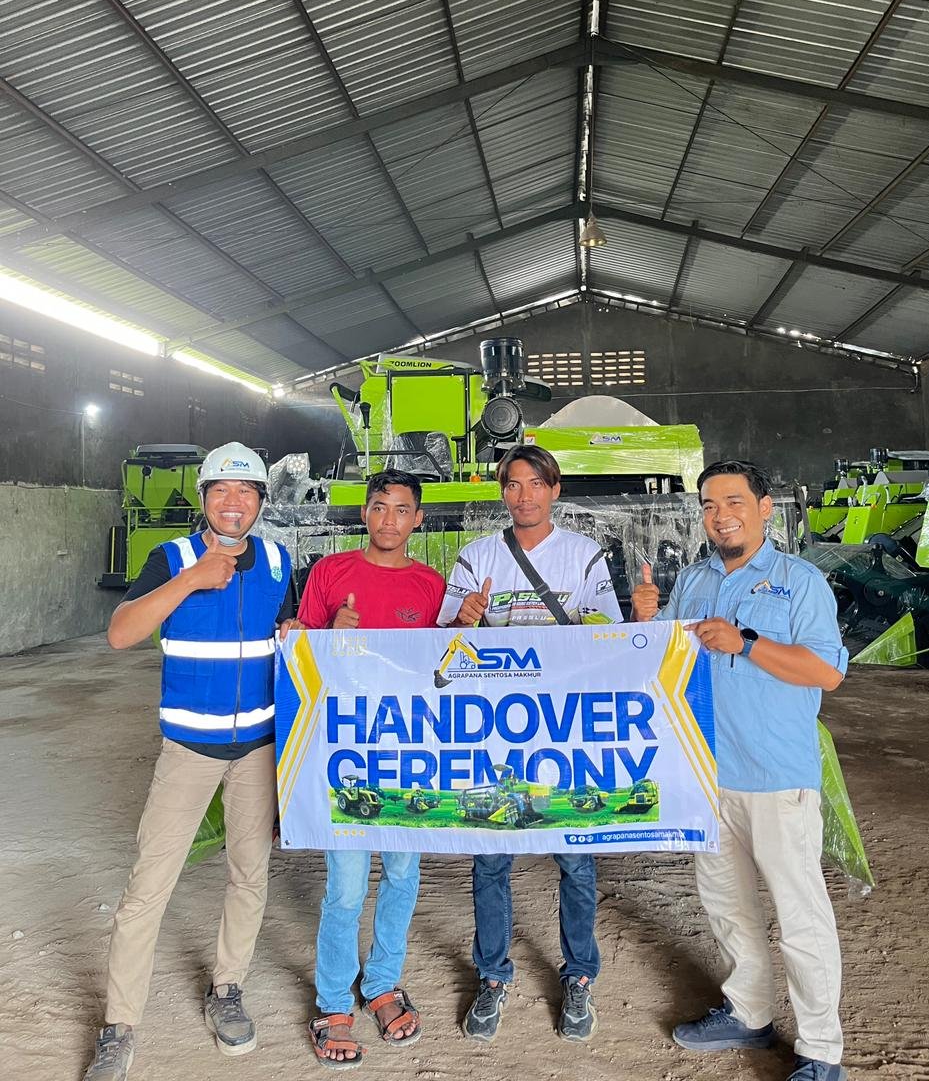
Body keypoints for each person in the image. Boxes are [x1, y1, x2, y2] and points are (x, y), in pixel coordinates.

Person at [83, 443, 299, 1081]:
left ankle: (228, 989)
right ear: (204, 497)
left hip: (256, 750)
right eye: (221, 490)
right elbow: (120, 633)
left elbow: (291, 634)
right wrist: (192, 580)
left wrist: (302, 632)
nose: (234, 503)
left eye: (247, 491)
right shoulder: (171, 558)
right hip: (187, 753)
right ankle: (120, 1026)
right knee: (148, 887)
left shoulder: (280, 561)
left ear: (260, 502)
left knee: (249, 875)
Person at [632, 459, 848, 1081]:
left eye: (734, 502)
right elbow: (666, 660)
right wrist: (646, 620)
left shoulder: (799, 581)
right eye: (709, 505)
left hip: (777, 776)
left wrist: (747, 642)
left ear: (764, 509)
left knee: (800, 917)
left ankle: (821, 1051)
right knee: (727, 906)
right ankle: (749, 1013)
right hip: (706, 776)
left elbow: (827, 672)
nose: (720, 515)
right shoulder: (693, 580)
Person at [437, 443, 648, 1045]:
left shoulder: (583, 555)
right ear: (502, 492)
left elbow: (606, 638)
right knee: (490, 856)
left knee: (575, 858)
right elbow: (441, 647)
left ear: (555, 490)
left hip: (562, 727)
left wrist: (639, 619)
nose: (524, 495)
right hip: (496, 730)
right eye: (513, 484)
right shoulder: (478, 556)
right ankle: (492, 975)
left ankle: (579, 975)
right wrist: (462, 620)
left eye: (536, 483)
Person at [297, 469, 445, 1068]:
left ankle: (382, 983)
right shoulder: (329, 574)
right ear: (364, 513)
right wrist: (327, 636)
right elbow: (299, 656)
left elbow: (442, 671)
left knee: (403, 875)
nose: (389, 519)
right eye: (379, 507)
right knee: (347, 886)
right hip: (348, 754)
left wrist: (464, 628)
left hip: (408, 753)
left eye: (402, 509)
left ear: (418, 520)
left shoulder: (431, 585)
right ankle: (334, 1001)